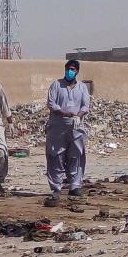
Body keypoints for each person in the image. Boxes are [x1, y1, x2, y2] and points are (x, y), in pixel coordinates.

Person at [44, 59, 90, 206]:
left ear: (77, 71)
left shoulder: (82, 87)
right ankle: (56, 188)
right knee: (55, 155)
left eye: (72, 69)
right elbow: (52, 104)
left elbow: (85, 106)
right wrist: (65, 114)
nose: (70, 71)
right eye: (68, 69)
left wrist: (78, 116)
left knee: (76, 155)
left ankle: (75, 186)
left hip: (76, 126)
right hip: (58, 125)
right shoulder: (57, 85)